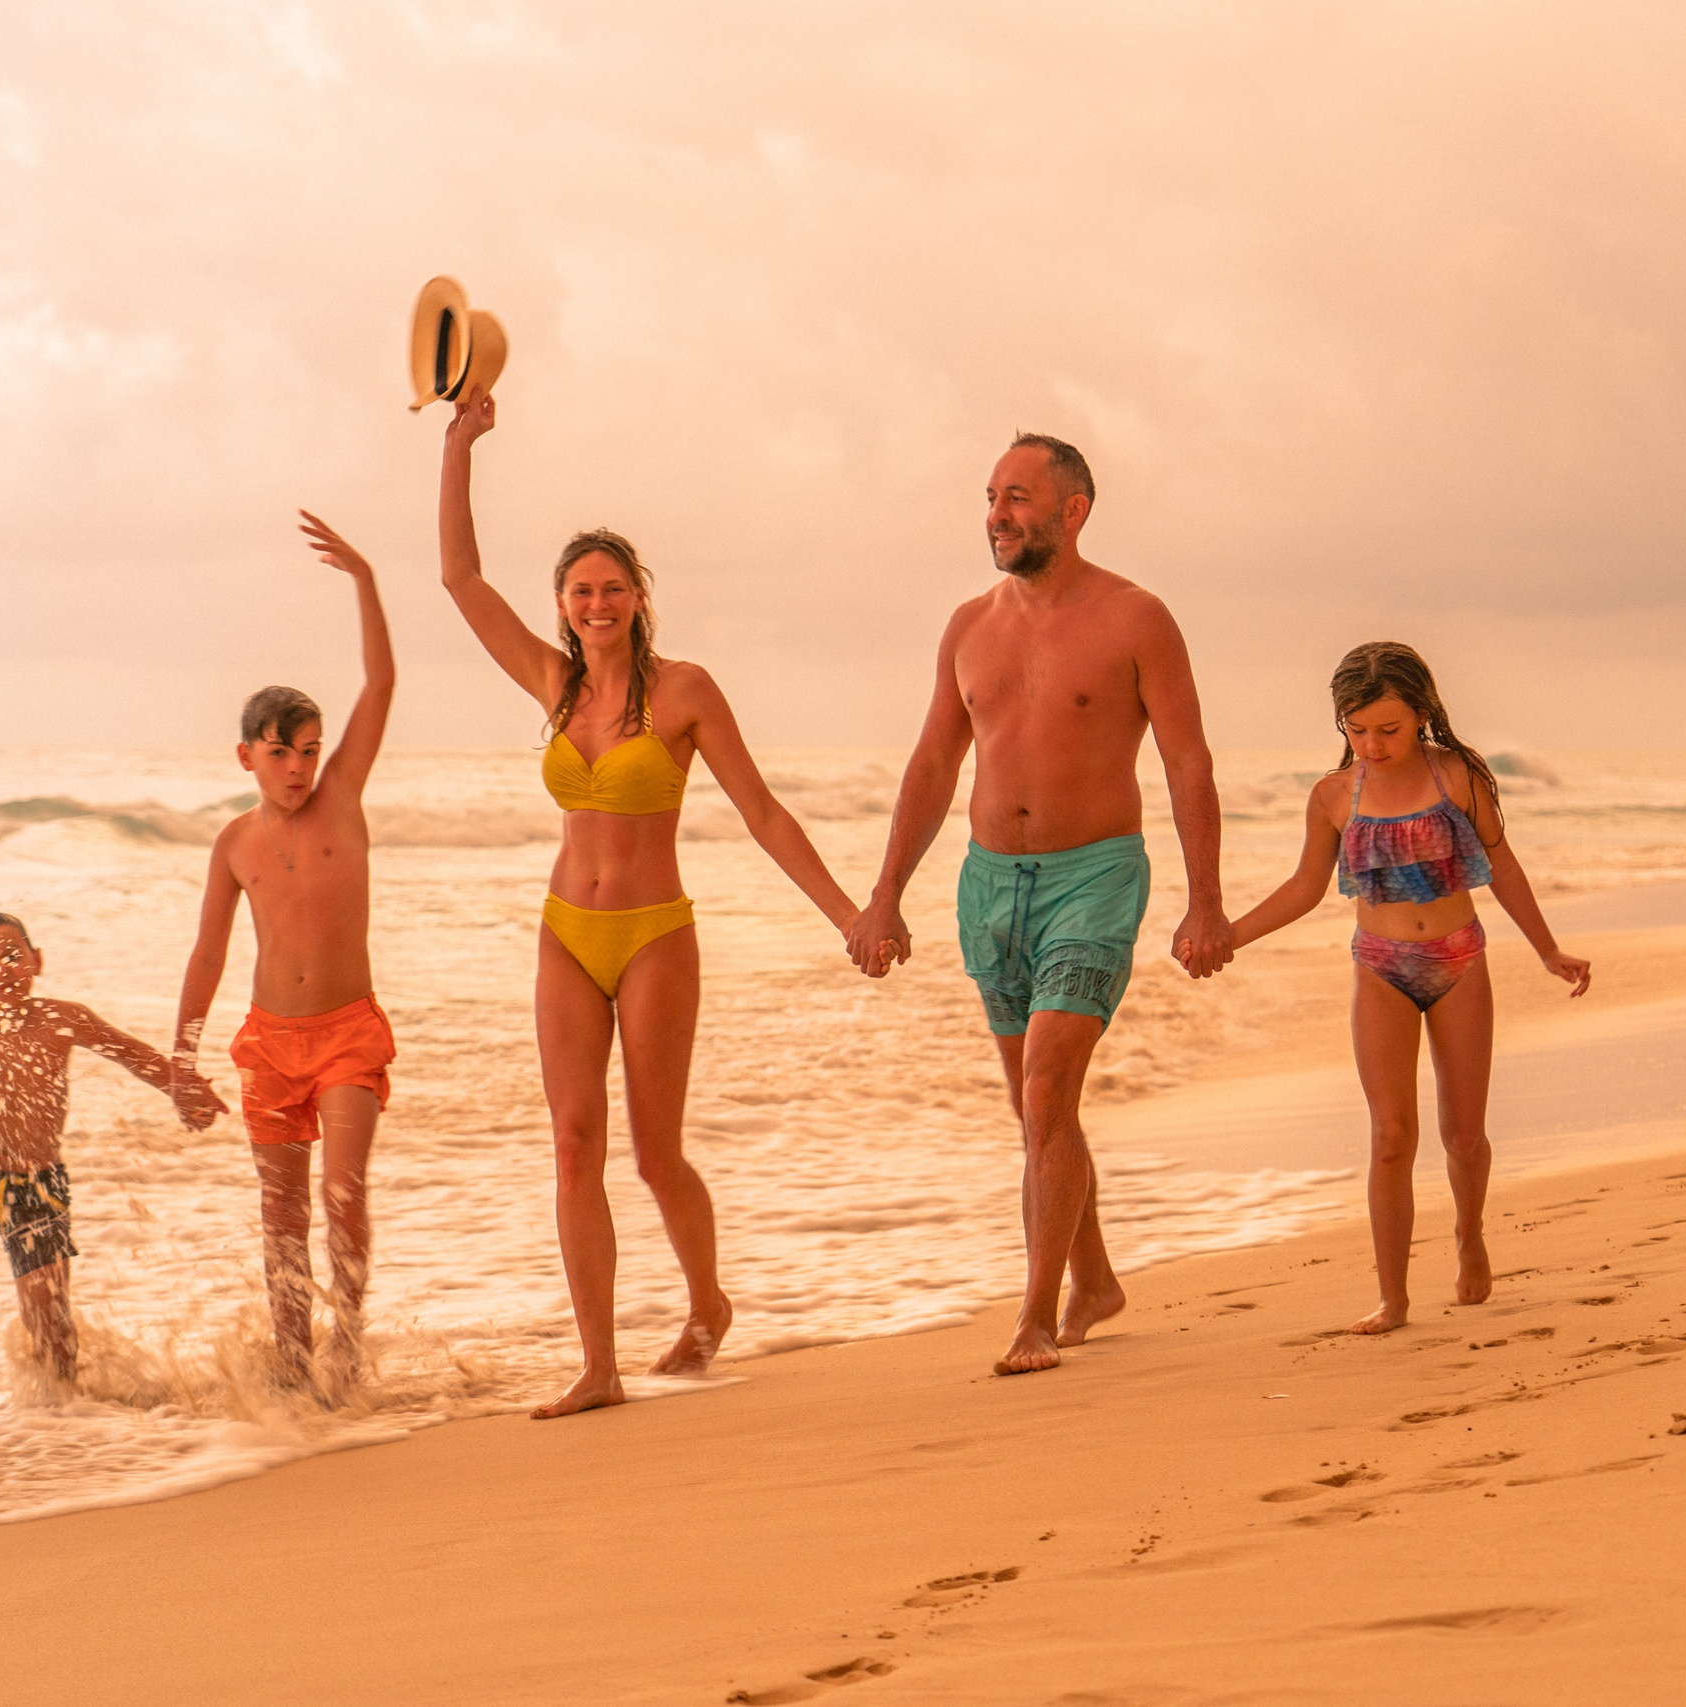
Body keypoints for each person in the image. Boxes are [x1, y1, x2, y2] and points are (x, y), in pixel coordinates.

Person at [438, 392, 870, 1419]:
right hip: (565, 933)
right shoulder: (549, 683)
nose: (598, 603)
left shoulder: (684, 692)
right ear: (562, 604)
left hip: (654, 936)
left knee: (653, 1150)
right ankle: (599, 1365)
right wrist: (459, 445)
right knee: (573, 1143)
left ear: (637, 598)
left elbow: (762, 813)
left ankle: (707, 1300)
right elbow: (459, 577)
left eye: (613, 588)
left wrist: (849, 915)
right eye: (581, 590)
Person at [847, 433, 1232, 1378]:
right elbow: (934, 763)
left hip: (1094, 876)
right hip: (989, 883)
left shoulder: (1137, 618)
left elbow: (1187, 760)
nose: (997, 515)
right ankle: (1094, 1280)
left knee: (1049, 1087)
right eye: (990, 497)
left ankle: (1037, 1316)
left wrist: (1206, 901)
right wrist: (884, 894)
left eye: (1016, 497)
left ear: (1073, 509)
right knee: (1036, 1106)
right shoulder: (968, 627)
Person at [1227, 641, 1591, 1333]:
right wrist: (1230, 934)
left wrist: (1547, 949)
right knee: (1392, 1137)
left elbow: (1503, 865)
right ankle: (1392, 1298)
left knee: (1463, 1136)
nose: (1372, 744)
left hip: (1460, 962)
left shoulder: (1458, 777)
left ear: (1421, 714)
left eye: (1388, 729)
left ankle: (1469, 1234)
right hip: (1380, 968)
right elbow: (1304, 887)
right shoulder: (1333, 795)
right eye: (1357, 729)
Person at [174, 513, 396, 1396]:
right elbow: (208, 953)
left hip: (346, 1033)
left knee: (343, 1192)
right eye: (281, 753)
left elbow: (382, 681)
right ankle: (292, 1361)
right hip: (269, 1041)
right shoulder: (235, 843)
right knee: (281, 1210)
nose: (300, 768)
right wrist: (183, 1055)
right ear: (247, 756)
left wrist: (365, 579)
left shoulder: (342, 797)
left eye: (309, 751)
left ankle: (348, 1341)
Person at [0, 913, 224, 1440]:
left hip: (37, 1187)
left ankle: (66, 1418)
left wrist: (181, 1088)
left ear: (37, 962)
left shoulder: (62, 1019)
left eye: (12, 956)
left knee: (49, 1321)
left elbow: (131, 1054)